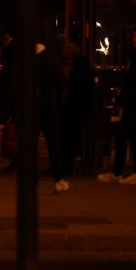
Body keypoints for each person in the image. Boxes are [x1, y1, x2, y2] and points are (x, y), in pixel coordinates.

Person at [109, 27, 136, 183]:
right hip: (135, 101)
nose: (135, 39)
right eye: (134, 36)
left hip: (135, 101)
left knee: (127, 136)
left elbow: (134, 82)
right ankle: (125, 172)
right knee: (128, 136)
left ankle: (134, 172)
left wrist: (123, 98)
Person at [35, 40, 69, 191]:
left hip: (31, 107)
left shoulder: (26, 58)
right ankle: (58, 179)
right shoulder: (51, 58)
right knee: (53, 144)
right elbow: (62, 81)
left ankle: (32, 180)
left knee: (31, 145)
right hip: (49, 105)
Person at [60, 40, 92, 182]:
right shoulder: (77, 66)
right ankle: (65, 165)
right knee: (67, 137)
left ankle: (67, 166)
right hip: (69, 105)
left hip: (74, 106)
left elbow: (79, 85)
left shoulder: (79, 67)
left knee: (70, 137)